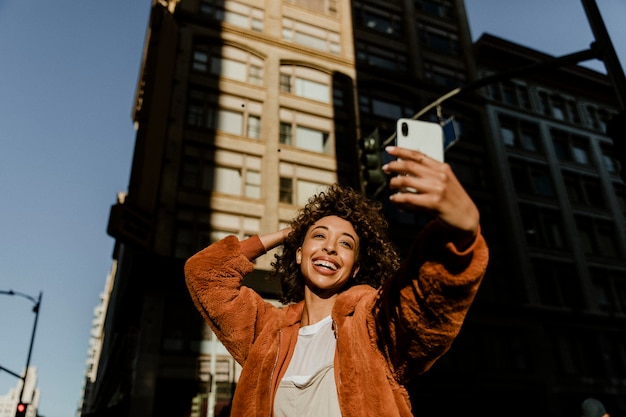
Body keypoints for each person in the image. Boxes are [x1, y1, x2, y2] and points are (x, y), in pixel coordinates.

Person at [185, 145, 489, 416]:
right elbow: (206, 274)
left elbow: (425, 301)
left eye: (345, 243)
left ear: (354, 269)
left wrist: (461, 236)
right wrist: (286, 234)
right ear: (299, 254)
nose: (330, 247)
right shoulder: (266, 332)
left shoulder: (372, 325)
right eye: (319, 236)